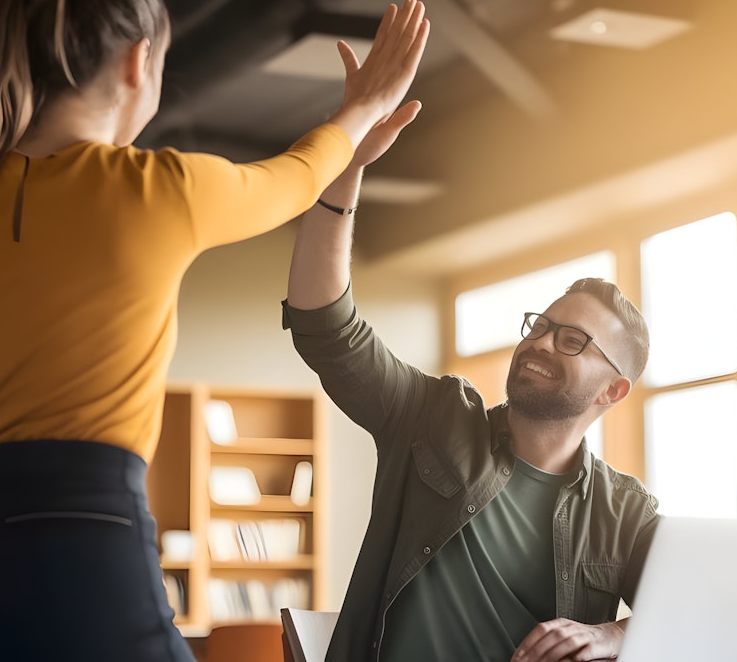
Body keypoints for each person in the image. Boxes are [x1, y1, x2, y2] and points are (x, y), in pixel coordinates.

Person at [0, 0, 429, 660]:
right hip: (89, 546)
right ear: (139, 62)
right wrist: (362, 108)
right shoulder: (161, 188)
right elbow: (298, 176)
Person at [282, 143, 659, 661]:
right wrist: (349, 165)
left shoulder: (626, 512)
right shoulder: (432, 417)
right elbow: (326, 329)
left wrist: (610, 635)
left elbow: (701, 614)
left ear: (612, 391)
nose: (543, 342)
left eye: (573, 340)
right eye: (542, 326)